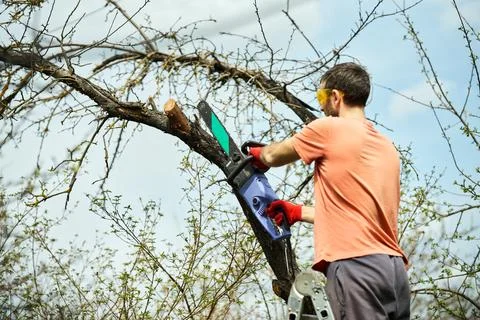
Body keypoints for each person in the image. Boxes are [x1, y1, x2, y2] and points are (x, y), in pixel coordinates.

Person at [248, 62, 410, 319]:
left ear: (336, 96)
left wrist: (258, 154)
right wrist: (299, 212)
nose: (321, 105)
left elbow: (273, 155)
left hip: (356, 268)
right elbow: (358, 215)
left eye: (321, 96)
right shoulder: (385, 147)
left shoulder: (329, 128)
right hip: (393, 273)